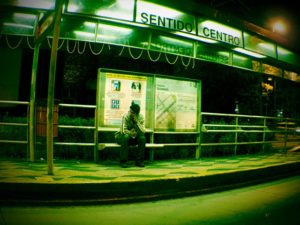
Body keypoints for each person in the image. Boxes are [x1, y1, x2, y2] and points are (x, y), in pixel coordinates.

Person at [115, 102, 146, 168]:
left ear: (137, 113)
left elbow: (143, 131)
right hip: (121, 137)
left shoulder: (141, 117)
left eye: (132, 112)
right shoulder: (125, 116)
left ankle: (139, 161)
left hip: (133, 138)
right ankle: (123, 161)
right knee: (126, 137)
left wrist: (137, 122)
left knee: (142, 138)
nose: (130, 113)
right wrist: (130, 133)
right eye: (130, 111)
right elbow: (123, 131)